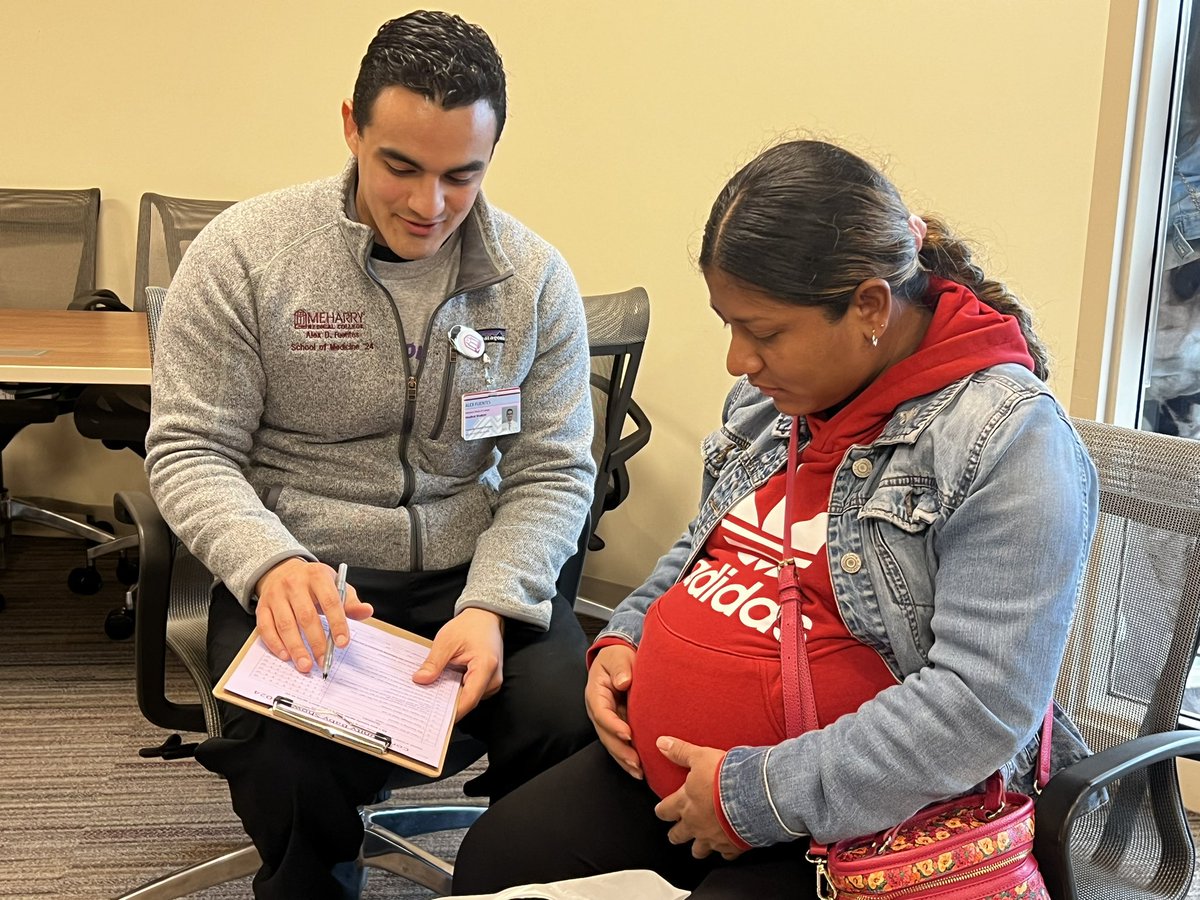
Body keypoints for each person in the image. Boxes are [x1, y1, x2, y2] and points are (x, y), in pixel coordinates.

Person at [451, 139, 1099, 899]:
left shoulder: (1009, 444)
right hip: (685, 782)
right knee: (499, 857)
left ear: (868, 307)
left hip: (852, 821)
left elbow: (980, 705)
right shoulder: (774, 402)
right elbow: (702, 547)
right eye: (728, 324)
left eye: (762, 333)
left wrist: (756, 796)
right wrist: (627, 637)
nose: (736, 361)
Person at [144, 11, 596, 899]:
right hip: (308, 570)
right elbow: (191, 449)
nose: (429, 205)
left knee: (564, 719)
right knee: (281, 755)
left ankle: (514, 877)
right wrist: (270, 563)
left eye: (461, 175)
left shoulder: (535, 280)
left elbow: (553, 468)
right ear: (352, 125)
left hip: (471, 573)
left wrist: (498, 605)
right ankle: (312, 880)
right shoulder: (246, 255)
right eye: (401, 166)